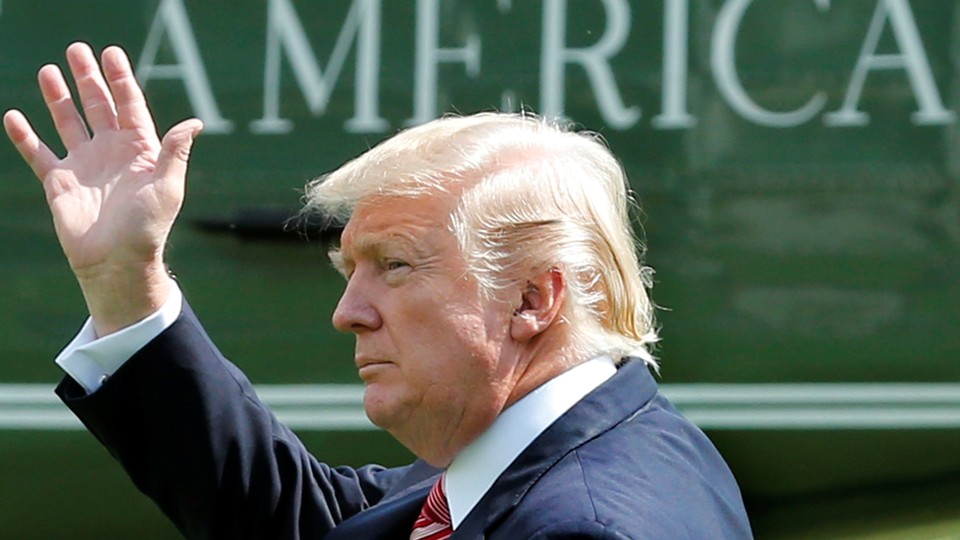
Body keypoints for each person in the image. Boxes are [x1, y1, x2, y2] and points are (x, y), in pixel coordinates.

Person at [4, 42, 752, 539]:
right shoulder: (573, 439)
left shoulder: (580, 527)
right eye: (348, 270)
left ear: (532, 300)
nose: (347, 314)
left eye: (394, 266)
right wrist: (124, 284)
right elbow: (312, 523)